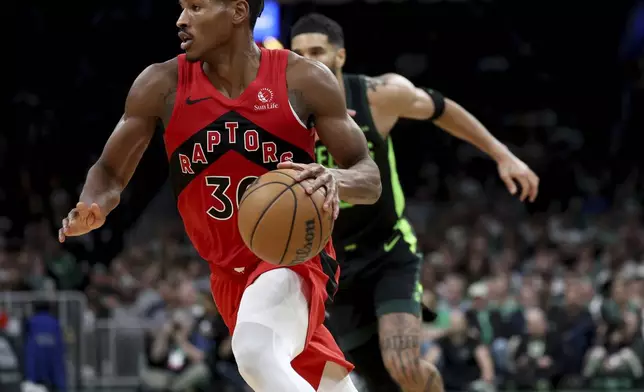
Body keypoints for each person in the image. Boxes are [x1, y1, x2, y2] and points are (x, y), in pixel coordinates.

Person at [58, 0, 382, 391]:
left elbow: (368, 176)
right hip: (228, 275)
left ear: (238, 11)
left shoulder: (303, 79)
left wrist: (333, 178)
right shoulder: (161, 84)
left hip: (296, 255)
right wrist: (95, 203)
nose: (181, 19)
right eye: (180, 7)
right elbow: (109, 170)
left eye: (196, 7)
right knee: (320, 381)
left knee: (256, 351)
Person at [291, 13, 540, 392]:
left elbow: (441, 108)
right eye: (299, 54)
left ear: (340, 56)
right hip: (332, 263)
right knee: (377, 378)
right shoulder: (285, 113)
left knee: (403, 363)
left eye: (317, 51)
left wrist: (502, 153)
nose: (308, 61)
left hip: (387, 249)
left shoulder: (378, 96)